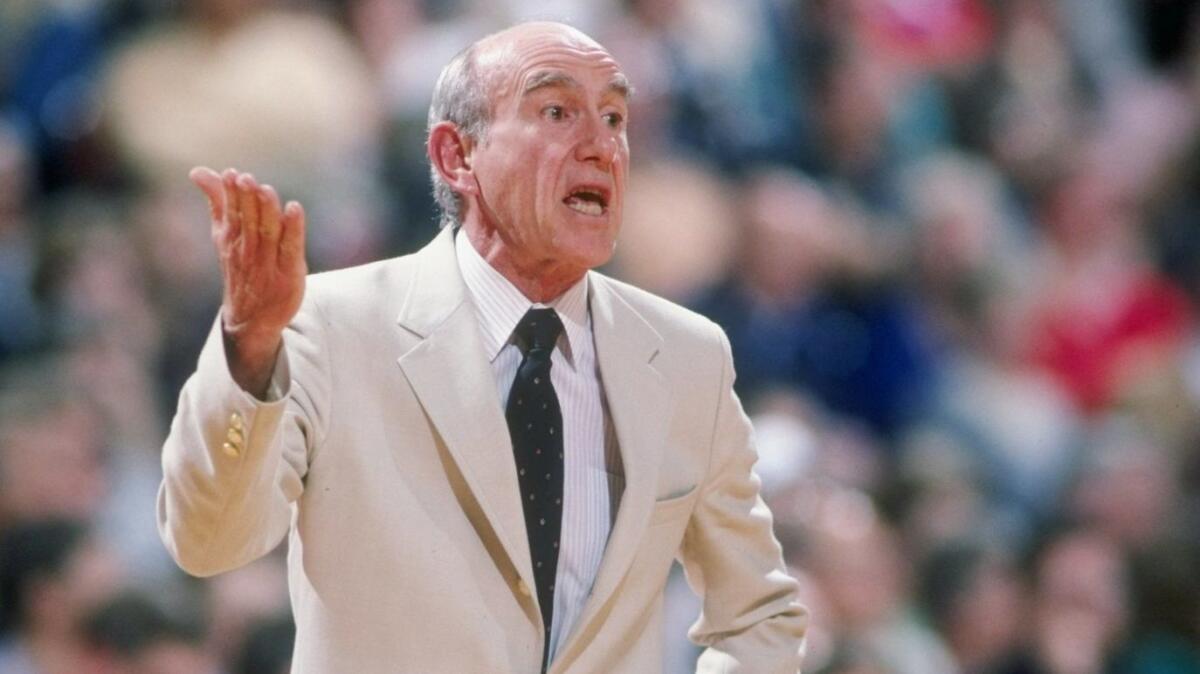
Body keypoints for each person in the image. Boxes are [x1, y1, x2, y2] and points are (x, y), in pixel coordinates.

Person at [157, 21, 806, 673]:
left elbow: (757, 616)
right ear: (455, 157)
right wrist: (248, 351)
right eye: (557, 111)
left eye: (614, 117)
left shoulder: (688, 354)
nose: (602, 146)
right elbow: (210, 542)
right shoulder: (327, 325)